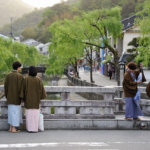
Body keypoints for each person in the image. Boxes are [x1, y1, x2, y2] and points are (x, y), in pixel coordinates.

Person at [21, 66, 46, 132]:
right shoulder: (38, 79)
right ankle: (35, 128)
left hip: (28, 100)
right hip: (36, 100)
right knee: (35, 114)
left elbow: (23, 90)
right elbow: (42, 90)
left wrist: (23, 97)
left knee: (29, 114)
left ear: (29, 71)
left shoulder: (26, 79)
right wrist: (41, 97)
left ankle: (29, 128)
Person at [4, 61, 24, 133]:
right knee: (15, 113)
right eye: (20, 67)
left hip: (9, 97)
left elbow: (5, 87)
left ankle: (10, 127)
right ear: (18, 68)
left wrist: (7, 96)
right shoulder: (20, 76)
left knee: (10, 113)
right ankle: (13, 129)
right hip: (16, 98)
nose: (20, 69)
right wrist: (22, 97)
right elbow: (22, 88)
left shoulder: (8, 76)